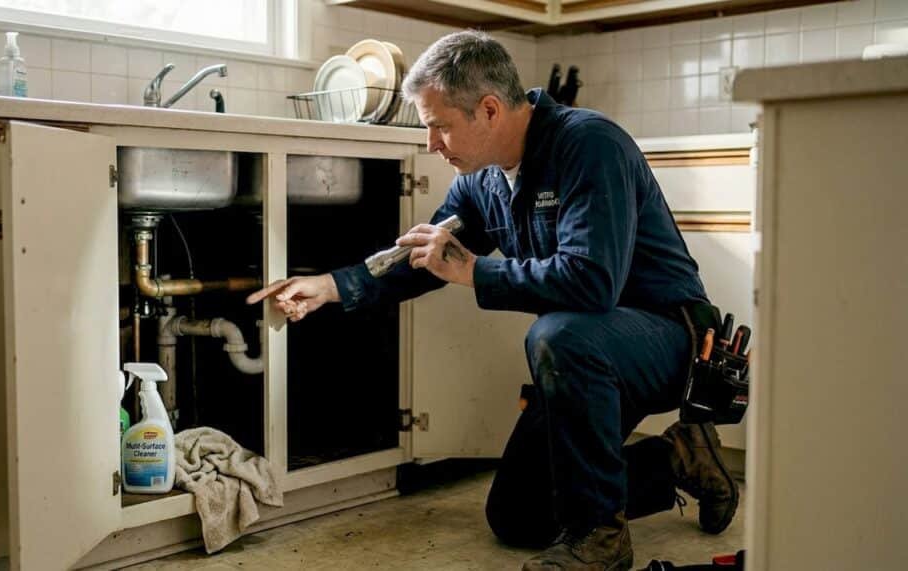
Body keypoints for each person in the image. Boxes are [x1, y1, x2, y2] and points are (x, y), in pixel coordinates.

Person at [247, 30, 739, 571]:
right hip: (584, 351)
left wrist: (474, 270)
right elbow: (425, 257)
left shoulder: (590, 145)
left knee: (557, 333)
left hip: (671, 337)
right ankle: (679, 457)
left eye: (439, 126)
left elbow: (591, 283)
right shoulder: (480, 181)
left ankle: (600, 541)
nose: (432, 143)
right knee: (517, 516)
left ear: (487, 110)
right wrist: (332, 286)